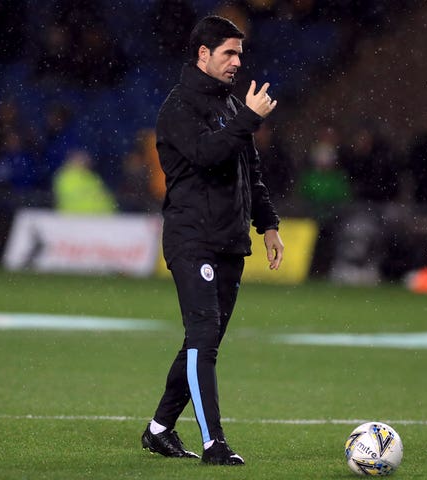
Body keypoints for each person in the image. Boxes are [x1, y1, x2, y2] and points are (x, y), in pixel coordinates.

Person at [141, 15, 284, 466]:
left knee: (203, 341)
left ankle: (159, 429)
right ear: (203, 54)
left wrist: (269, 224)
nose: (237, 62)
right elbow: (207, 155)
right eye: (229, 52)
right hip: (192, 239)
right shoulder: (179, 107)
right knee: (203, 337)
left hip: (228, 240)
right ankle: (213, 443)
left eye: (240, 54)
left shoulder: (228, 106)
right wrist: (247, 118)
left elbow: (248, 172)